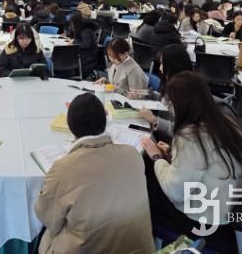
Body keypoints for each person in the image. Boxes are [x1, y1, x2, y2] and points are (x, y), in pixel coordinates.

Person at [141, 72, 242, 253]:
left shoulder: (190, 137)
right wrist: (172, 154)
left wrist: (157, 157)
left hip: (206, 226)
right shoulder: (227, 122)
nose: (169, 108)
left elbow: (174, 191)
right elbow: (209, 160)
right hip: (235, 216)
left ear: (181, 105)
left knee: (146, 179)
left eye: (170, 103)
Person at [35, 93, 155, 254]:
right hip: (140, 248)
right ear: (105, 121)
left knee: (45, 237)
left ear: (70, 126)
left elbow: (48, 219)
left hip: (88, 249)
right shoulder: (132, 153)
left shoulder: (63, 169)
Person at [137, 44, 193, 138]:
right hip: (161, 133)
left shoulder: (185, 93)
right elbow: (165, 100)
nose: (160, 68)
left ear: (173, 65)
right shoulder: (173, 83)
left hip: (170, 140)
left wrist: (154, 120)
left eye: (162, 64)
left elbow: (181, 131)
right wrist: (149, 94)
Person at [68, 13, 100, 77]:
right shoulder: (83, 29)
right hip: (86, 56)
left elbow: (86, 45)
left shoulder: (85, 32)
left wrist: (74, 42)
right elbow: (80, 40)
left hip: (87, 59)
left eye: (73, 24)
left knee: (67, 54)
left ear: (77, 24)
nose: (72, 26)